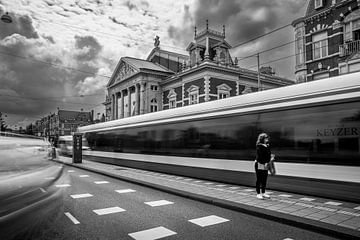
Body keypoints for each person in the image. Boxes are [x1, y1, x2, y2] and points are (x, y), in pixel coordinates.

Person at [255, 133, 274, 199]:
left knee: (264, 179)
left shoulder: (267, 145)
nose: (267, 139)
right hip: (260, 164)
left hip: (265, 164)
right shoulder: (259, 146)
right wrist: (265, 162)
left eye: (267, 138)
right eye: (266, 138)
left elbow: (268, 155)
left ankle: (263, 193)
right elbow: (259, 157)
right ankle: (258, 193)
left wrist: (270, 158)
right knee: (259, 179)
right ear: (262, 139)